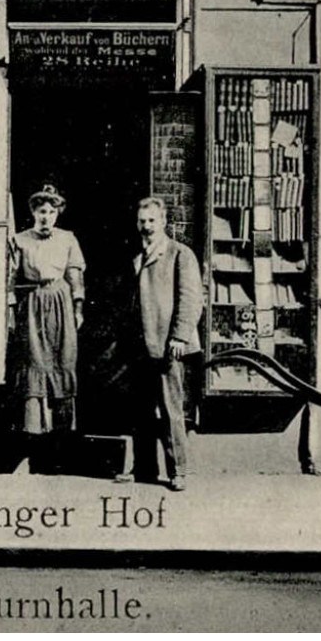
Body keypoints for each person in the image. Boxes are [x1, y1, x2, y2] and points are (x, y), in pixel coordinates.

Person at [118, 196, 203, 491]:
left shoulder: (180, 254)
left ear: (164, 222)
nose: (146, 226)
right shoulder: (136, 254)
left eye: (152, 221)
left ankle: (179, 470)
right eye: (142, 221)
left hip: (169, 344)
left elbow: (191, 299)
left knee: (170, 409)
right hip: (140, 345)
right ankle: (144, 467)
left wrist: (180, 335)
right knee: (140, 409)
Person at [8, 183, 86, 472]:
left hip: (61, 302)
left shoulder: (67, 239)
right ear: (32, 212)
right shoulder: (19, 240)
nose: (46, 217)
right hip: (32, 304)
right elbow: (11, 278)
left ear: (57, 214)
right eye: (41, 212)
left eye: (51, 212)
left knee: (63, 361)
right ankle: (34, 444)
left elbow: (75, 275)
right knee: (35, 362)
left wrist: (78, 309)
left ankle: (61, 441)